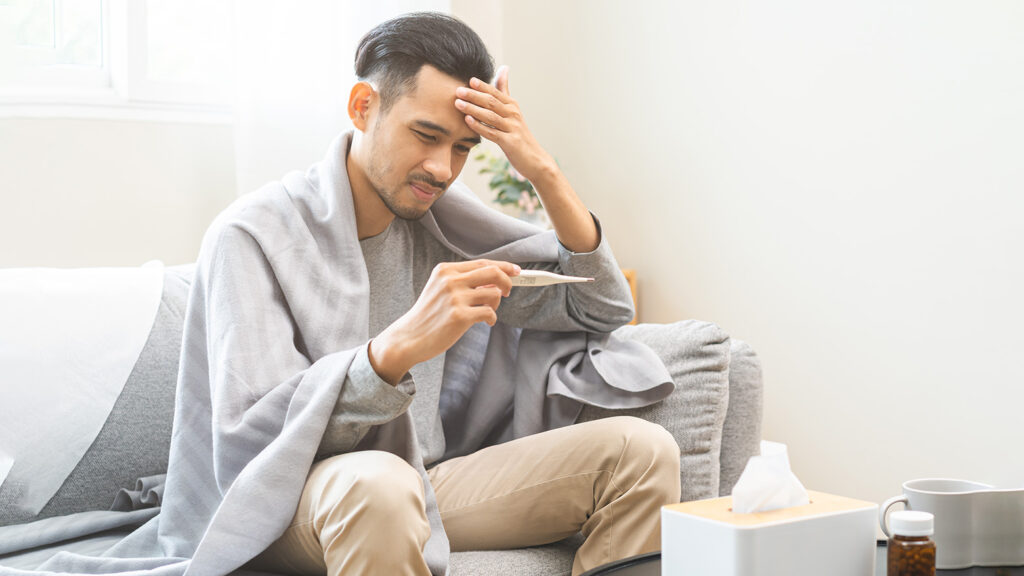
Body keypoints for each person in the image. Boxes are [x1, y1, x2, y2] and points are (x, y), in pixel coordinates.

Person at [223, 12, 682, 576]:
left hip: (420, 479)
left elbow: (601, 306)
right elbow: (257, 438)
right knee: (379, 484)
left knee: (643, 451)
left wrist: (540, 169)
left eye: (464, 148)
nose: (442, 170)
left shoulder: (442, 229)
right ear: (363, 107)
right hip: (288, 497)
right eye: (426, 135)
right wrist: (395, 351)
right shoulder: (253, 235)